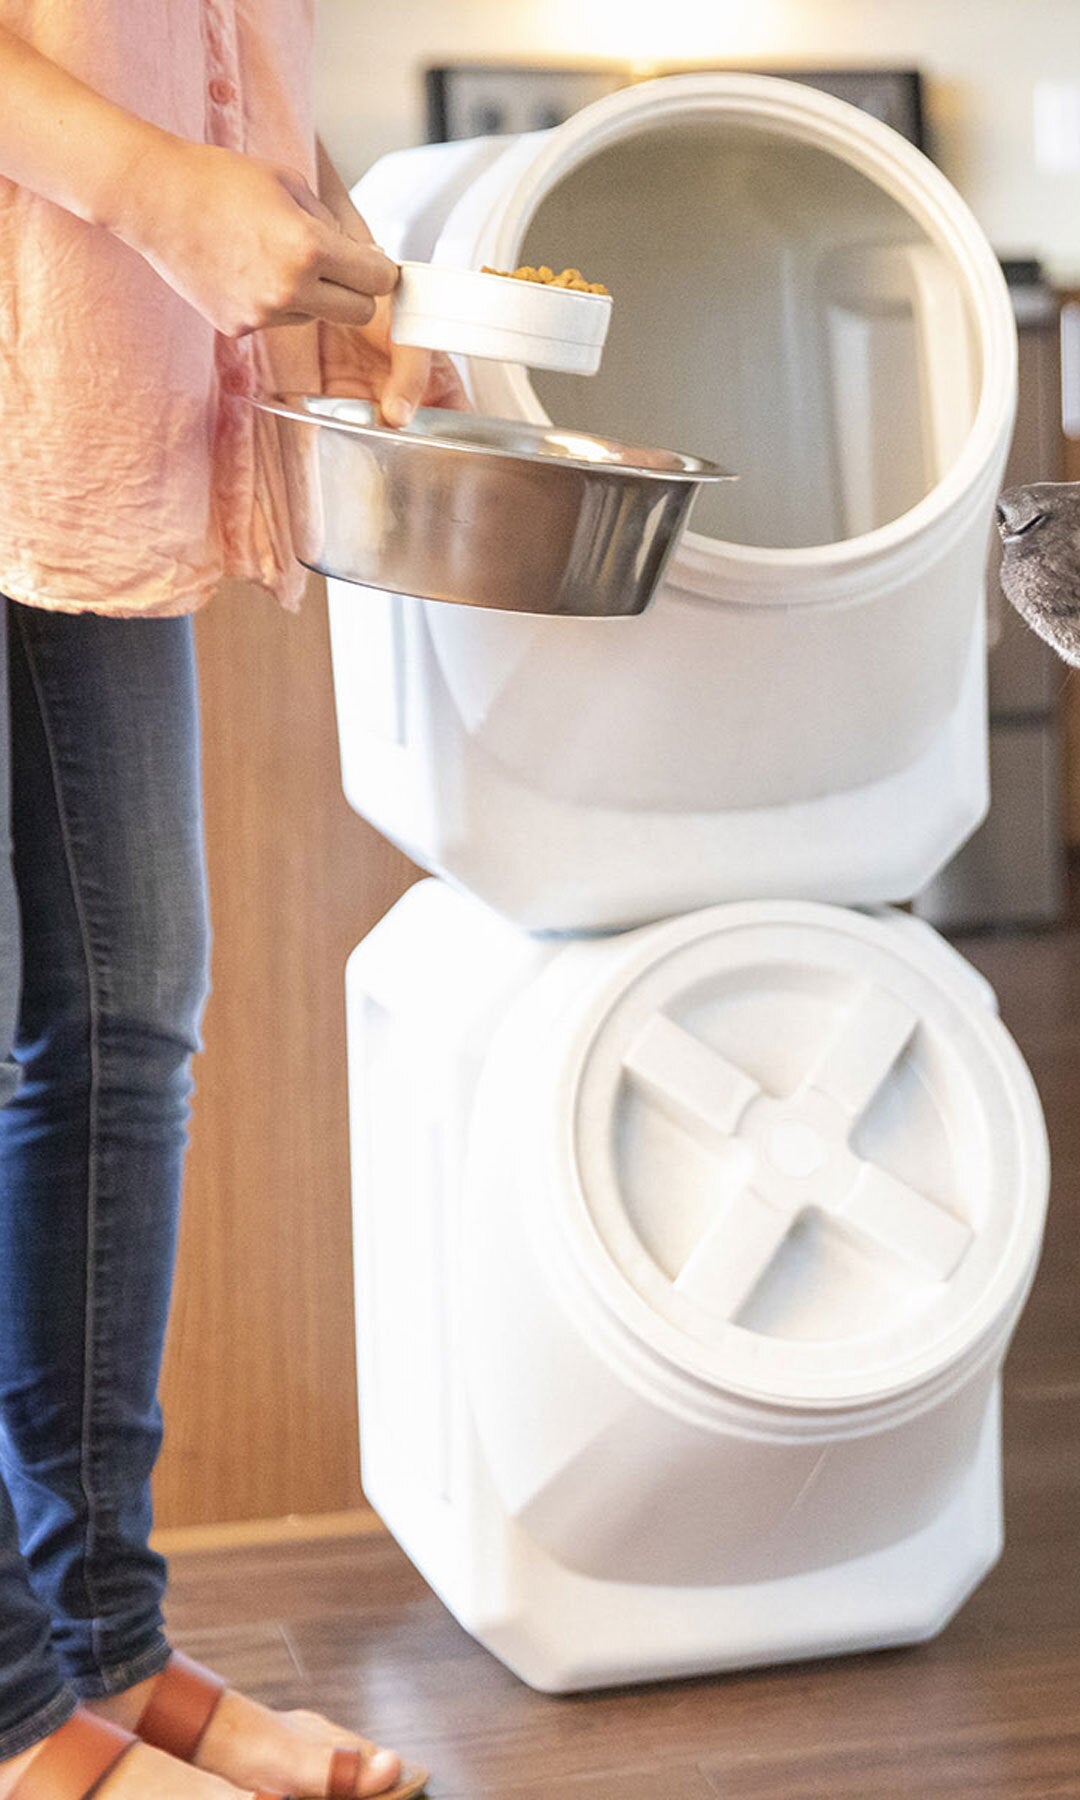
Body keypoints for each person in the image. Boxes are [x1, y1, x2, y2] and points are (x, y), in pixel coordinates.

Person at [0, 3, 454, 1796]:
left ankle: (105, 1645)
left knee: (127, 1020)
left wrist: (337, 264)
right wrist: (174, 201)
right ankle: (21, 1718)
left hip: (77, 413)